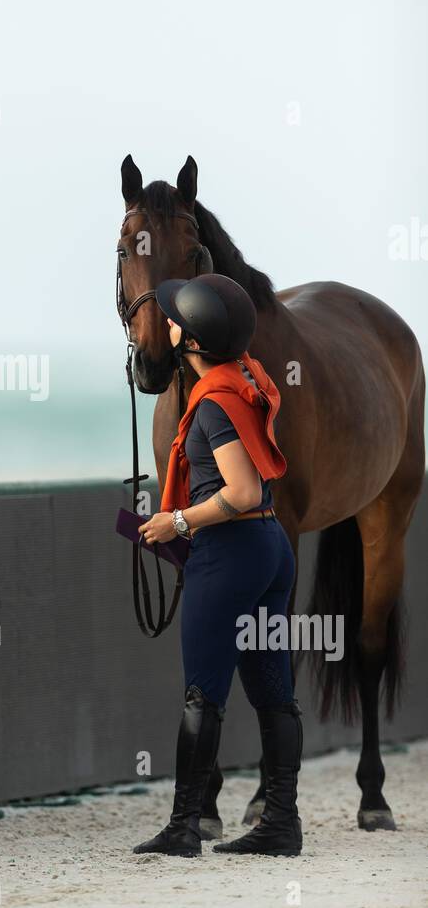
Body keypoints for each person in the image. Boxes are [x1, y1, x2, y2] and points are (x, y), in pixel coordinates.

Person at [132, 274, 301, 858]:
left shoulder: (213, 407)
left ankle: (185, 826)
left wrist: (177, 523)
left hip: (230, 553)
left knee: (203, 694)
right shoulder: (247, 380)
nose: (168, 323)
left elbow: (243, 490)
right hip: (270, 550)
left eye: (177, 317)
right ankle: (281, 823)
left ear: (193, 338)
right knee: (273, 692)